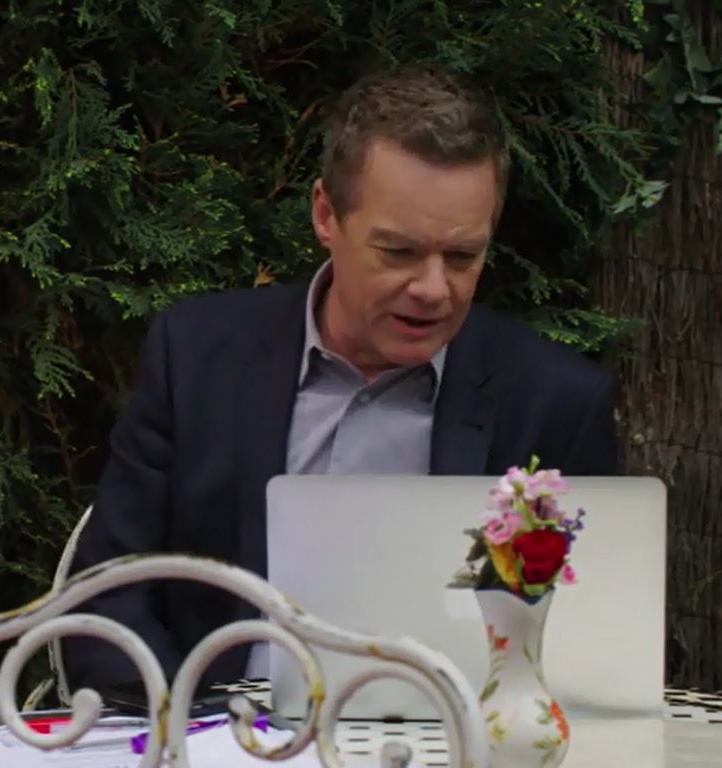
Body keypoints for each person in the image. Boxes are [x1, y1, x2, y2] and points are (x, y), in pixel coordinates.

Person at [63, 65, 619, 690]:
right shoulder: (197, 356)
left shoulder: (554, 404)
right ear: (326, 214)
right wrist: (188, 729)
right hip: (217, 727)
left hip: (448, 734)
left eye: (463, 256)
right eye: (399, 252)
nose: (433, 289)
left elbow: (590, 647)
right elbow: (106, 599)